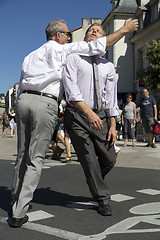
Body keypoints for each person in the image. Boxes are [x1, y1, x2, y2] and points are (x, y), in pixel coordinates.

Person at [9, 18, 138, 228]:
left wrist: (112, 122)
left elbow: (23, 81)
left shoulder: (31, 55)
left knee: (24, 155)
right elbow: (96, 49)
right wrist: (124, 29)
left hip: (25, 100)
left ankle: (17, 198)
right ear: (59, 36)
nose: (70, 37)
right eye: (68, 34)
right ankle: (19, 210)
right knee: (37, 158)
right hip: (62, 108)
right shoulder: (68, 52)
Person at [63, 23, 119, 216]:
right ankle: (103, 199)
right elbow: (71, 91)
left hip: (101, 115)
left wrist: (113, 125)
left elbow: (111, 98)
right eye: (90, 30)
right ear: (85, 38)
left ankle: (94, 179)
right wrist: (88, 113)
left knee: (110, 159)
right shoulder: (73, 58)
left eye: (98, 31)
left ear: (103, 38)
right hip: (77, 114)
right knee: (89, 160)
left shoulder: (108, 66)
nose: (93, 32)